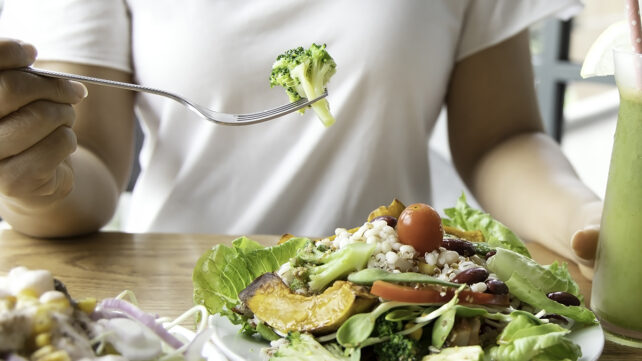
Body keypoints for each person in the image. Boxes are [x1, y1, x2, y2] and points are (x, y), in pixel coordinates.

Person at [0, 1, 599, 278]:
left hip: (393, 289)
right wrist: (28, 177)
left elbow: (501, 136)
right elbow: (91, 162)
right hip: (182, 295)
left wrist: (586, 218)